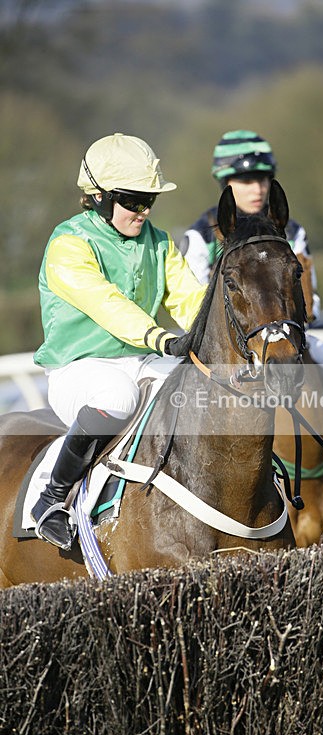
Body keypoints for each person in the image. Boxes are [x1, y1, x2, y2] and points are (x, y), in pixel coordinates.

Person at [31, 132, 207, 550]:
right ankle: (50, 500)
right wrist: (160, 338)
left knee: (202, 395)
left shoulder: (160, 242)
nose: (143, 211)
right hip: (80, 367)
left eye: (150, 200)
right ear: (97, 197)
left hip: (141, 360)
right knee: (118, 396)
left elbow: (190, 300)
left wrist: (221, 332)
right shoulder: (68, 244)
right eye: (133, 200)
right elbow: (106, 304)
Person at [179, 129, 323, 484]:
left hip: (285, 332)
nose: (256, 188)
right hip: (225, 344)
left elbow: (310, 298)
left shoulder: (293, 230)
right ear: (225, 182)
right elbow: (194, 304)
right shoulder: (200, 236)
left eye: (262, 179)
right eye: (244, 180)